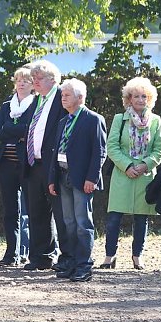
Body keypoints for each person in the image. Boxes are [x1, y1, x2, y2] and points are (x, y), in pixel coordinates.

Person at [101, 77, 161, 270]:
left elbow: (160, 149)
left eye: (144, 96)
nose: (140, 100)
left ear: (150, 99)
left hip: (145, 176)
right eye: (136, 96)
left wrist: (145, 165)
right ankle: (109, 256)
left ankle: (137, 257)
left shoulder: (156, 121)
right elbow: (111, 147)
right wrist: (127, 166)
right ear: (128, 99)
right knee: (114, 218)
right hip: (122, 174)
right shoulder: (119, 119)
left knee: (141, 219)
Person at [48, 79, 107, 282]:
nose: (62, 98)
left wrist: (92, 177)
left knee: (83, 222)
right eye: (62, 95)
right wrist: (52, 178)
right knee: (69, 222)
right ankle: (71, 262)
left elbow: (99, 152)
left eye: (67, 95)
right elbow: (56, 152)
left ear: (80, 97)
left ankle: (84, 264)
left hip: (82, 179)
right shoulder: (63, 121)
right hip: (63, 176)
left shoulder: (93, 120)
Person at [22, 60, 69, 271]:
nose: (35, 83)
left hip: (54, 166)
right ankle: (41, 256)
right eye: (33, 79)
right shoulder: (36, 101)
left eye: (39, 79)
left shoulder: (61, 98)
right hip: (35, 164)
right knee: (37, 212)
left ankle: (67, 257)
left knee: (61, 213)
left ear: (53, 80)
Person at [0, 66, 34, 266]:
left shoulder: (35, 105)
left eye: (26, 80)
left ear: (33, 84)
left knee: (31, 210)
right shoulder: (6, 105)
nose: (22, 82)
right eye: (18, 79)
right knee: (11, 211)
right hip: (6, 164)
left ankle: (29, 251)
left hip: (26, 164)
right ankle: (11, 254)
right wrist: (16, 132)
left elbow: (30, 130)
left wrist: (11, 129)